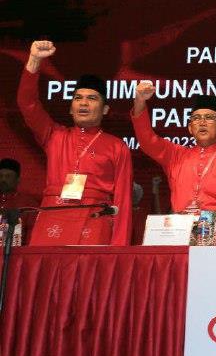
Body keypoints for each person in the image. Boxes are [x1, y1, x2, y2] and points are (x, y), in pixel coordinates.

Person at [17, 40, 132, 245]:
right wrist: (34, 61)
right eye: (78, 98)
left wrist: (118, 249)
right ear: (71, 108)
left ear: (105, 109)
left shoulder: (117, 146)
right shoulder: (54, 135)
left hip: (94, 222)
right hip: (53, 216)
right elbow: (28, 103)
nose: (84, 103)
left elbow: (123, 201)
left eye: (92, 98)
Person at [131, 82, 216, 245]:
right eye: (196, 118)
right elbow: (147, 140)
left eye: (209, 118)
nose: (202, 122)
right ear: (190, 128)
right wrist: (139, 102)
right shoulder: (175, 155)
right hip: (178, 233)